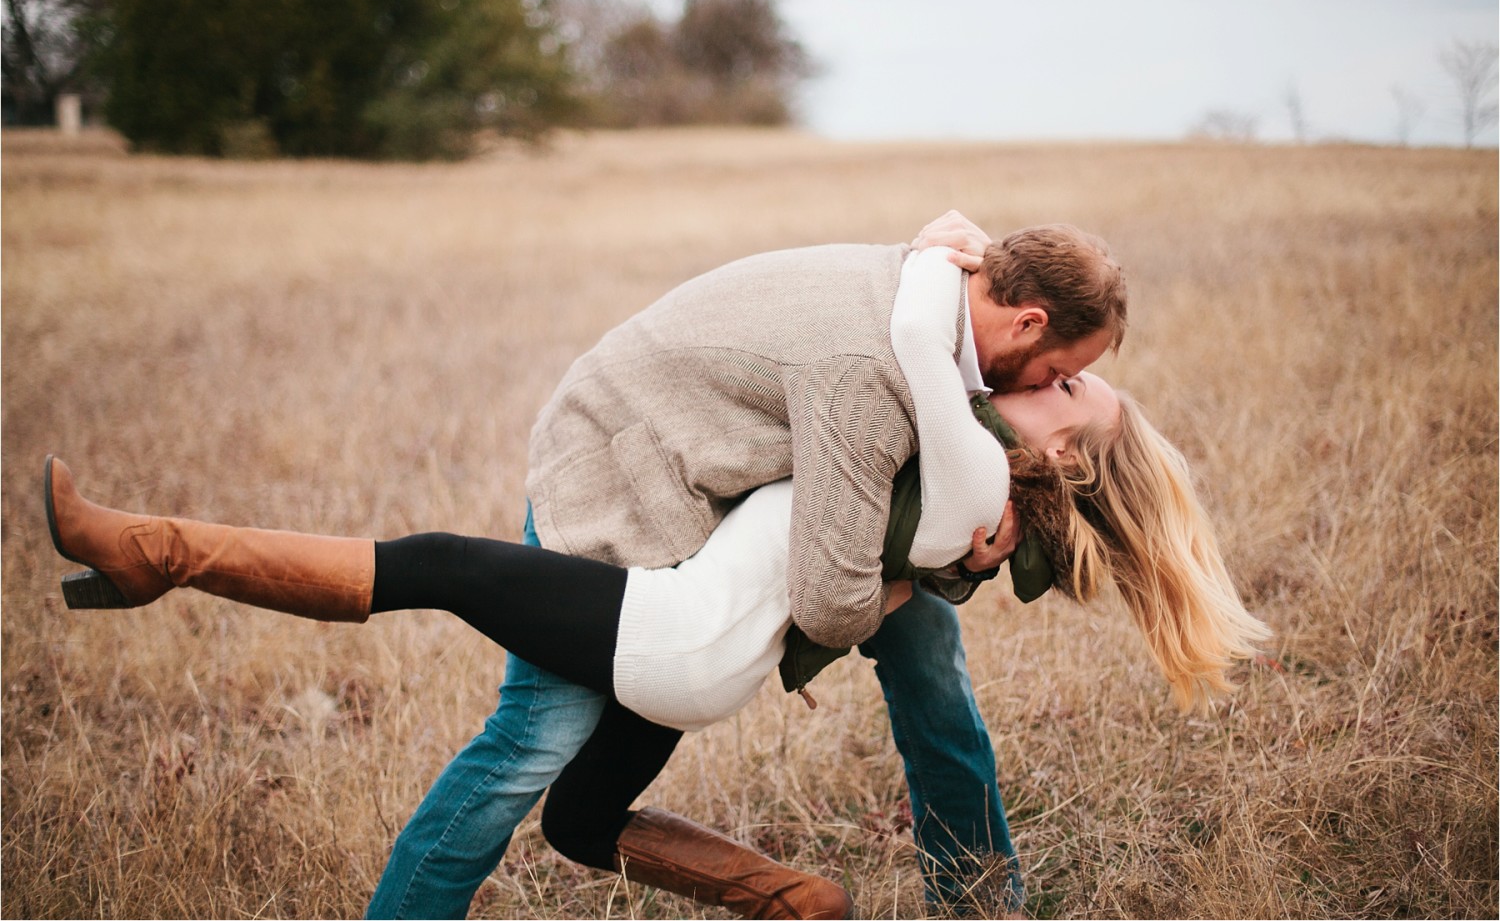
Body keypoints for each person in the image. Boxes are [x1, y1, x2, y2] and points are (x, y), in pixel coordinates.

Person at [368, 213, 1128, 920]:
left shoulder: (946, 307)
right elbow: (833, 597)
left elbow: (907, 522)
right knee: (534, 739)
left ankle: (976, 897)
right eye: (1058, 371)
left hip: (729, 484)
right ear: (1028, 322)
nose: (1037, 388)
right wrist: (911, 578)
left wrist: (950, 568)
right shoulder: (870, 369)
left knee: (924, 643)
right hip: (620, 477)